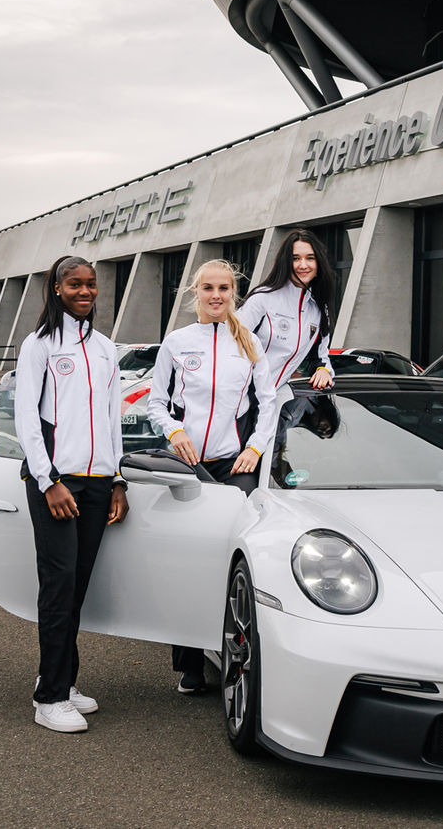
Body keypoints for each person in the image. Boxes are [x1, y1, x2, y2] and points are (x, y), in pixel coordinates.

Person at [147, 260, 277, 694]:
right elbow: (155, 404)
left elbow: (269, 402)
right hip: (186, 465)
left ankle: (234, 650)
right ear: (195, 292)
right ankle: (188, 665)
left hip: (232, 463)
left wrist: (255, 448)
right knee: (186, 560)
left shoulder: (250, 342)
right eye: (208, 288)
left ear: (232, 294)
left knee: (231, 556)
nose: (216, 295)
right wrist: (175, 430)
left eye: (223, 288)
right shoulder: (177, 342)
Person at [14, 255, 129, 734]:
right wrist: (48, 479)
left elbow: (112, 417)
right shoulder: (39, 344)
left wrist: (119, 477)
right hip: (57, 483)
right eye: (74, 284)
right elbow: (26, 418)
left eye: (91, 285)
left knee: (77, 586)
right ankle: (49, 698)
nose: (85, 292)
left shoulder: (105, 347)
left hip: (99, 484)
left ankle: (61, 677)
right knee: (58, 586)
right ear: (56, 289)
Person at [237, 228, 336, 389]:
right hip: (237, 399)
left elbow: (319, 356)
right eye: (295, 258)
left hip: (269, 403)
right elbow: (227, 344)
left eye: (310, 258)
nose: (303, 265)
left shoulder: (318, 310)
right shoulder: (262, 299)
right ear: (285, 262)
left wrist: (323, 370)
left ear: (318, 263)